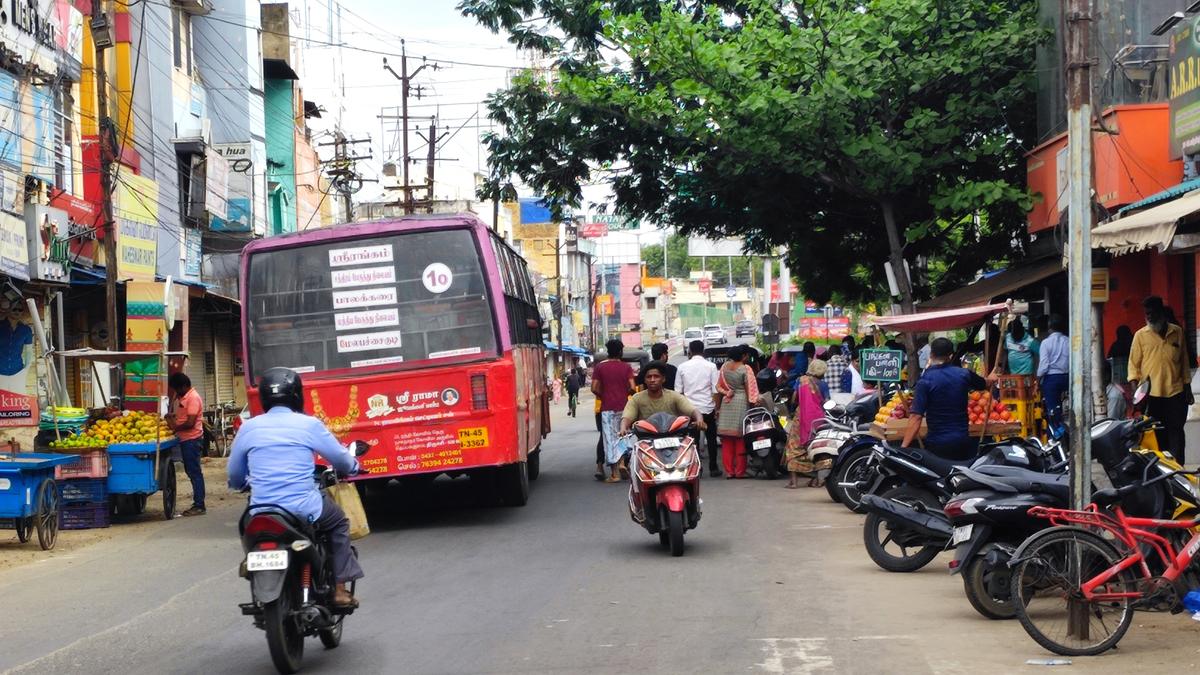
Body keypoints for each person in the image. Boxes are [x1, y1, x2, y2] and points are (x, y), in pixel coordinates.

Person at [227, 368, 363, 608]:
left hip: (261, 511)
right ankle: (340, 591)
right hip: (303, 508)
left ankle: (252, 566)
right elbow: (341, 460)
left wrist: (241, 484)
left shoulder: (248, 428)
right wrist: (352, 466)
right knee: (339, 521)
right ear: (297, 396)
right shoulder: (308, 425)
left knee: (246, 528)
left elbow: (235, 475)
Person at [903, 338, 995, 460]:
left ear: (931, 354)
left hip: (937, 443)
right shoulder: (964, 374)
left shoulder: (925, 380)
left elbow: (916, 417)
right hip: (962, 440)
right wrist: (992, 377)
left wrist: (903, 447)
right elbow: (984, 384)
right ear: (951, 356)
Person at [1129, 296, 1194, 463]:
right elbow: (1133, 368)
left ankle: (1179, 470)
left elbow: (1184, 362)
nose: (1149, 316)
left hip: (1176, 393)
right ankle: (1162, 470)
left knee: (1177, 433)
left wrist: (1188, 389)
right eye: (1146, 314)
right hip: (1152, 395)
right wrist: (1136, 396)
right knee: (1157, 435)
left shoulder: (1177, 332)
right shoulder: (1140, 336)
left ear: (1161, 312)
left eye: (1152, 313)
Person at [675, 339, 722, 477]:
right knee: (712, 439)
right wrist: (717, 408)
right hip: (707, 408)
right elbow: (716, 390)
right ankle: (713, 468)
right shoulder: (711, 366)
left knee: (691, 441)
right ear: (703, 350)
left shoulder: (682, 367)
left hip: (689, 409)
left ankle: (695, 468)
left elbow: (678, 392)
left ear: (689, 351)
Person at [592, 339, 636, 483]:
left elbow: (594, 387)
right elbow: (632, 387)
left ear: (608, 351)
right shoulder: (626, 367)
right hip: (624, 407)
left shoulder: (600, 367)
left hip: (607, 408)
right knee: (623, 435)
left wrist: (603, 395)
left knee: (610, 439)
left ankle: (614, 474)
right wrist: (624, 393)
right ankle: (623, 463)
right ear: (621, 352)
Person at [620, 361, 706, 434]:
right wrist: (623, 428)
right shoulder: (637, 398)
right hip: (646, 441)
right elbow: (627, 416)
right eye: (649, 377)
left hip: (673, 438)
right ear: (645, 380)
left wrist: (699, 420)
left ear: (663, 379)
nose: (652, 380)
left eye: (656, 376)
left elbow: (693, 410)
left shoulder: (674, 396)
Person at [716, 345, 760, 478]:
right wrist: (753, 404)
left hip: (727, 402)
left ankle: (729, 471)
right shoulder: (745, 369)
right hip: (741, 402)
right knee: (740, 439)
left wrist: (725, 394)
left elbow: (718, 386)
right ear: (743, 356)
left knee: (727, 440)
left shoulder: (724, 367)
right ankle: (739, 472)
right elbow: (750, 389)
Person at [784, 359, 829, 488]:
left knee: (793, 448)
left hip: (801, 417)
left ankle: (794, 482)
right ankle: (816, 480)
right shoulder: (823, 385)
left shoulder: (801, 381)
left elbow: (794, 398)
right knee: (814, 448)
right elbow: (826, 402)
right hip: (818, 420)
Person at [168, 372, 207, 517]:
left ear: (184, 386)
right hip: (186, 440)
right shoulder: (184, 397)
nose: (177, 393)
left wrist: (175, 427)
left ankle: (199, 505)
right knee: (192, 472)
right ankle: (198, 504)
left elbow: (190, 423)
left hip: (192, 440)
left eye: (178, 389)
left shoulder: (193, 398)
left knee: (194, 473)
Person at [1036, 314, 1070, 432]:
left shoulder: (1046, 343)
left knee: (1053, 410)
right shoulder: (1068, 341)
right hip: (1067, 378)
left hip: (1051, 380)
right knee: (1069, 408)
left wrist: (1038, 380)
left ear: (1049, 328)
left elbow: (1044, 366)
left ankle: (1057, 433)